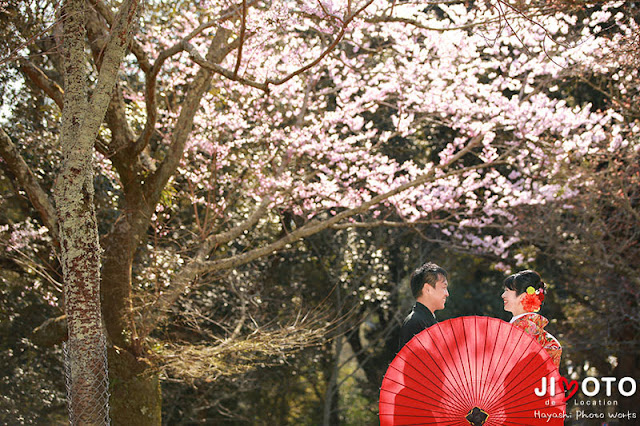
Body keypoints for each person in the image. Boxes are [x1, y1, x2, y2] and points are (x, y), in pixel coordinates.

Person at [501, 270, 562, 367]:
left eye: (507, 291)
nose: (503, 295)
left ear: (522, 296)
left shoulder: (525, 328)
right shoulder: (531, 328)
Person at [398, 262, 449, 351]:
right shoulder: (414, 323)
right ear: (427, 289)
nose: (447, 294)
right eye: (443, 287)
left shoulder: (426, 321)